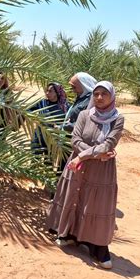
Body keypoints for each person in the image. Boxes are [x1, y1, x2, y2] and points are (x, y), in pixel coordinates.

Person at [47, 81, 124, 269]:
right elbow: (75, 140)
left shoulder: (118, 119)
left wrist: (83, 155)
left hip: (99, 171)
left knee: (95, 204)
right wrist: (94, 153)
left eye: (103, 94)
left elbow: (109, 144)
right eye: (96, 94)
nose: (99, 98)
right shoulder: (83, 115)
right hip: (79, 166)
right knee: (75, 197)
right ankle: (69, 234)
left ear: (112, 97)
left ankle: (97, 247)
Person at [31, 82, 68, 154]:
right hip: (39, 135)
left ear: (57, 92)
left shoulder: (65, 106)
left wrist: (59, 126)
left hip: (53, 137)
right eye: (46, 91)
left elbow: (68, 121)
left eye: (50, 91)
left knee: (49, 161)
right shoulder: (42, 103)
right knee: (34, 156)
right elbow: (27, 110)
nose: (47, 93)